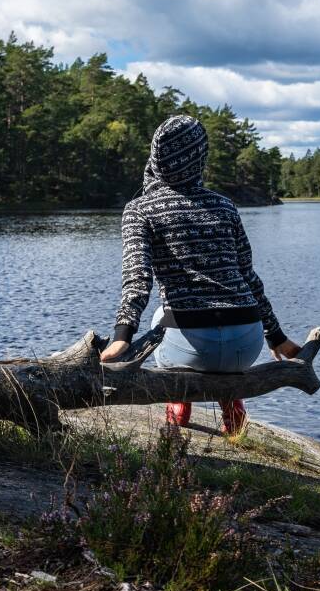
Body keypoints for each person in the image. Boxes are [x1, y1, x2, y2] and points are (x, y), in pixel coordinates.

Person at [100, 115, 301, 435]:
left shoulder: (140, 209)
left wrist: (121, 339)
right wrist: (277, 338)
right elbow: (249, 278)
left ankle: (179, 403)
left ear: (156, 155)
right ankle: (232, 406)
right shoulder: (224, 206)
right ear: (200, 158)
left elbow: (137, 281)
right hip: (246, 342)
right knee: (213, 313)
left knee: (158, 318)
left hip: (191, 346)